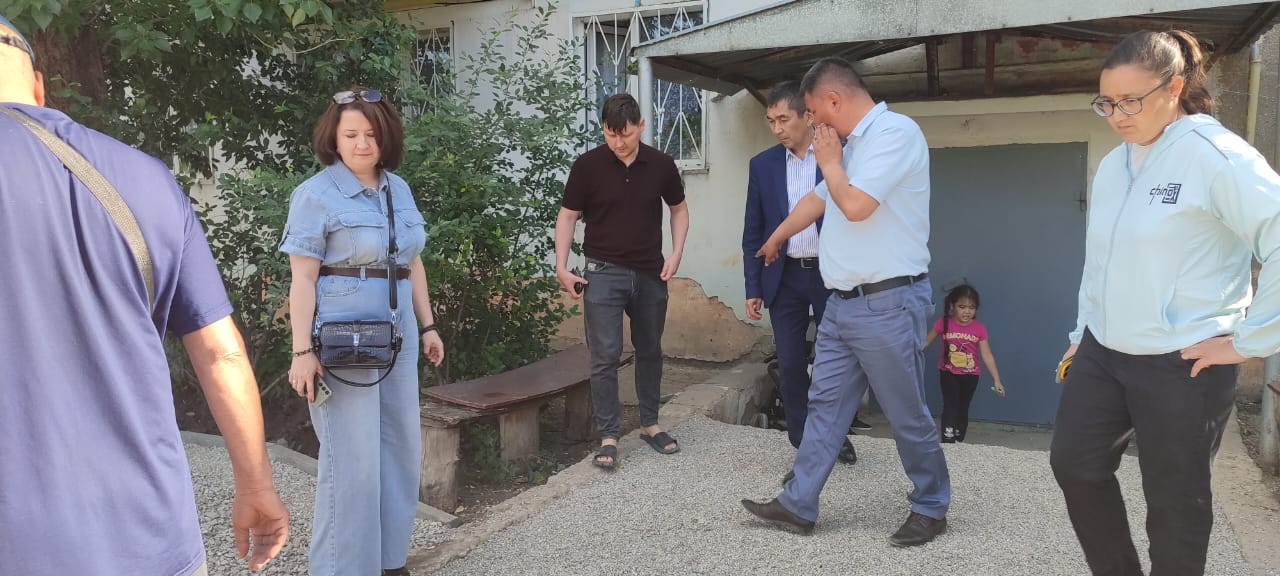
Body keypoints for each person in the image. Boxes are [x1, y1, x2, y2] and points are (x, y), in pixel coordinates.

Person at [0, 13, 288, 576]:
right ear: (38, 86)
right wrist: (256, 484)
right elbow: (221, 353)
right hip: (152, 541)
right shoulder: (144, 177)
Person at [1051, 29, 1280, 576]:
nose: (1117, 116)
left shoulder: (1217, 157)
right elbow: (1100, 261)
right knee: (1075, 466)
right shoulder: (1116, 164)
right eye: (1107, 103)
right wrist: (1082, 335)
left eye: (1131, 101)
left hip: (1183, 361)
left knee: (1175, 505)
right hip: (1104, 352)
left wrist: (1247, 342)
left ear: (1174, 88)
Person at [740, 57, 951, 547]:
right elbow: (817, 200)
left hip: (887, 302)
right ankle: (799, 503)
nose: (813, 124)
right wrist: (776, 238)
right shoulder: (851, 146)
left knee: (905, 412)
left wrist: (831, 162)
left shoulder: (895, 134)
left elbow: (855, 206)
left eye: (814, 113)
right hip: (841, 304)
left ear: (833, 101)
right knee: (825, 404)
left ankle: (931, 505)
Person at [280, 86, 445, 576]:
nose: (361, 144)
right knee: (352, 461)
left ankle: (390, 562)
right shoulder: (315, 195)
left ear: (385, 137)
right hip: (342, 336)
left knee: (400, 448)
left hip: (398, 333)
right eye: (350, 134)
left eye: (371, 134)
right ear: (333, 137)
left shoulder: (399, 190)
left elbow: (412, 262)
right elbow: (302, 280)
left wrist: (429, 325)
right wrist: (301, 352)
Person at [555, 93, 690, 468]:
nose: (619, 142)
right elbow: (568, 216)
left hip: (650, 272)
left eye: (626, 134)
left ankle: (650, 424)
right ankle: (609, 436)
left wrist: (677, 252)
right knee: (605, 355)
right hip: (602, 271)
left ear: (641, 126)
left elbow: (679, 210)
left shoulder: (661, 165)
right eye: (611, 134)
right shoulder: (587, 166)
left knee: (650, 349)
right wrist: (561, 266)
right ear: (603, 129)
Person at [743, 81, 858, 468]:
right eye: (770, 121)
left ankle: (835, 436)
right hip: (785, 276)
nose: (776, 128)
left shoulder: (837, 155)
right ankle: (802, 437)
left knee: (834, 363)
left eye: (783, 119)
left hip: (831, 274)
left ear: (807, 116)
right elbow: (753, 231)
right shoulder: (762, 165)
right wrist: (753, 286)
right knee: (790, 363)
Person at [923, 284, 1005, 443]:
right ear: (952, 306)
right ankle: (948, 439)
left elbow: (987, 355)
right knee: (950, 404)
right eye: (962, 307)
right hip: (948, 372)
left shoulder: (979, 329)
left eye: (972, 307)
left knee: (963, 406)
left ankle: (959, 439)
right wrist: (908, 352)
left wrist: (997, 379)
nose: (967, 311)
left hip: (971, 375)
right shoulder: (943, 323)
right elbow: (926, 342)